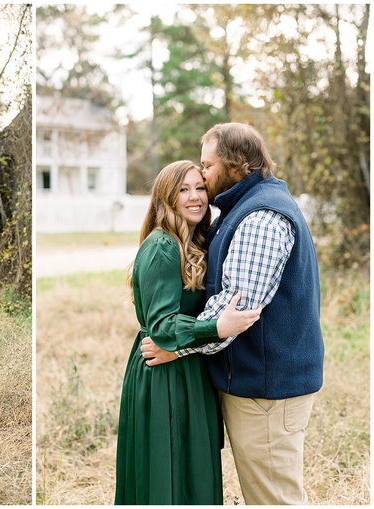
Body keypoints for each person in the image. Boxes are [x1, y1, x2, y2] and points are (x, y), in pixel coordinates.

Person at [141, 122, 324, 505]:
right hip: (257, 386)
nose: (203, 177)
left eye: (207, 167)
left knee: (274, 498)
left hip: (267, 391)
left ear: (236, 163)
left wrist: (179, 347)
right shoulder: (246, 205)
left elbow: (235, 310)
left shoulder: (259, 218)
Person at [114, 160, 262, 505]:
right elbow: (163, 324)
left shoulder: (196, 241)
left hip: (190, 368)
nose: (195, 197)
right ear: (166, 198)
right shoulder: (161, 247)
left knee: (193, 472)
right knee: (167, 473)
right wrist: (216, 327)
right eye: (183, 190)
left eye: (199, 187)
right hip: (163, 373)